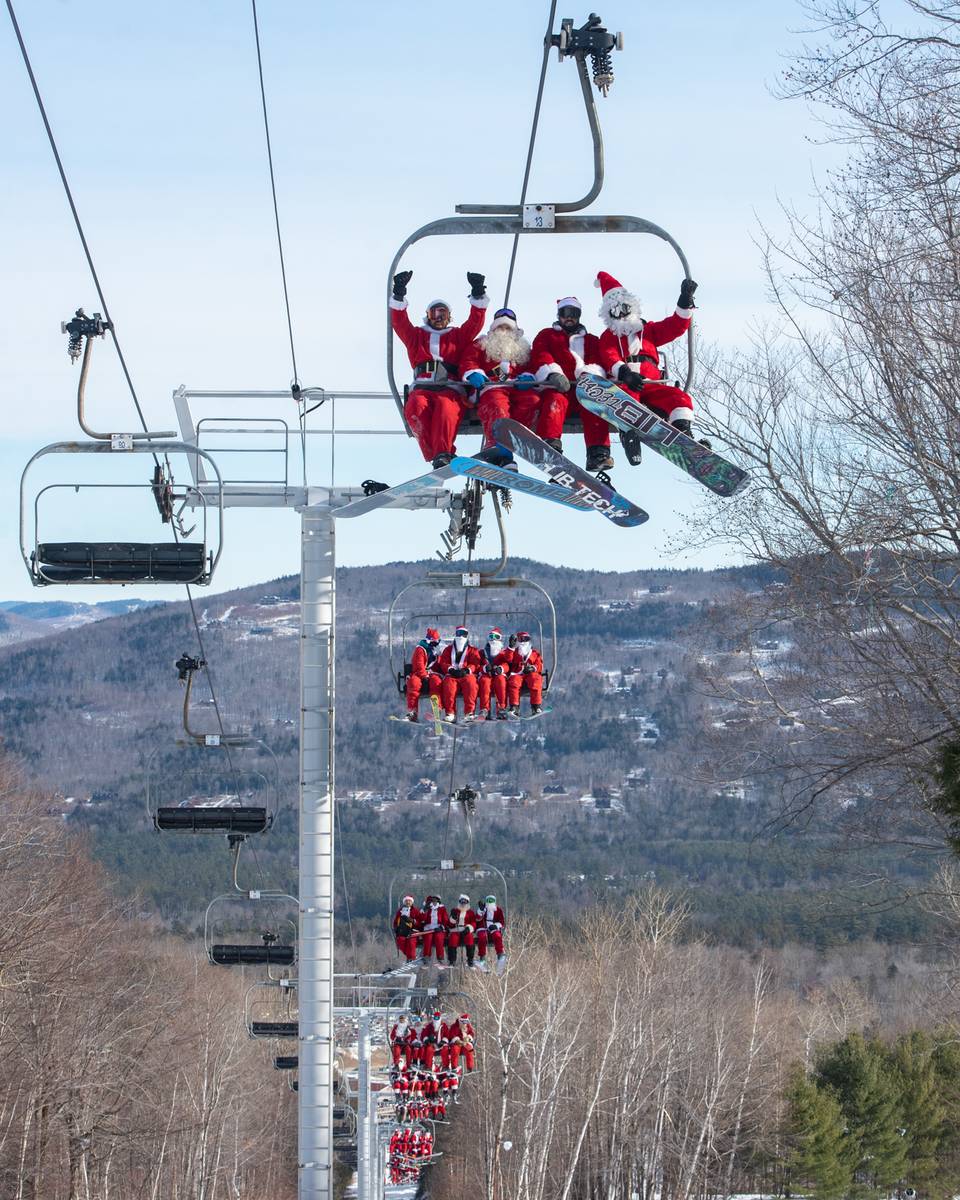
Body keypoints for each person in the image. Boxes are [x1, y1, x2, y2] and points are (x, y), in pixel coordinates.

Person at [593, 270, 701, 462]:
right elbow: (609, 357)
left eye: (624, 309)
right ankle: (629, 435)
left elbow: (674, 327)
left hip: (653, 383)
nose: (621, 316)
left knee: (678, 397)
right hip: (626, 384)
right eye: (615, 312)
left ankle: (683, 432)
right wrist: (625, 373)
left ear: (632, 308)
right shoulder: (609, 337)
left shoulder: (649, 331)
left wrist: (684, 300)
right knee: (626, 399)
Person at [390, 269, 490, 468]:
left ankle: (443, 452)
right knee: (415, 408)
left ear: (449, 317)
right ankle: (437, 455)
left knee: (446, 409)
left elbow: (474, 323)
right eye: (434, 313)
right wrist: (399, 293)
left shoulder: (457, 336)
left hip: (449, 388)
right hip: (423, 386)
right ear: (427, 315)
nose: (438, 317)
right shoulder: (416, 336)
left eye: (442, 313)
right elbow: (399, 322)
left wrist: (478, 293)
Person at [531, 297, 614, 472]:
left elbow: (597, 360)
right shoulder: (547, 335)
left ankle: (598, 452)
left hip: (582, 388)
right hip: (558, 387)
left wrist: (589, 375)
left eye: (573, 314)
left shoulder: (591, 340)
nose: (569, 318)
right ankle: (550, 445)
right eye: (565, 313)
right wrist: (552, 372)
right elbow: (541, 354)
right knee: (554, 402)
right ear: (559, 315)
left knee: (593, 404)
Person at [460, 308, 539, 468]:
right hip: (492, 385)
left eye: (507, 328)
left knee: (532, 400)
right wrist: (473, 373)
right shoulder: (482, 344)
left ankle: (513, 440)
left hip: (516, 385)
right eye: (500, 328)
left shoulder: (522, 348)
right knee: (497, 406)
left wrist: (529, 376)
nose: (503, 331)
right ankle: (499, 449)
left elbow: (534, 366)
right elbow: (469, 360)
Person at [436, 626, 482, 723]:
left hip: (466, 674)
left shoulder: (472, 650)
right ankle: (450, 713)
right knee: (448, 685)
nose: (460, 636)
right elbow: (443, 662)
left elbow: (475, 663)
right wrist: (451, 669)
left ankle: (469, 712)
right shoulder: (448, 650)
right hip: (452, 674)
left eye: (463, 634)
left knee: (471, 684)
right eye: (458, 633)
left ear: (466, 636)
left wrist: (467, 670)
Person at [405, 627, 442, 722]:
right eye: (436, 641)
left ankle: (436, 708)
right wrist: (424, 675)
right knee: (414, 683)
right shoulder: (421, 649)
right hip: (419, 673)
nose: (437, 643)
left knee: (436, 682)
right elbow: (419, 664)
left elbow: (437, 664)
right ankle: (412, 711)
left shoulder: (433, 651)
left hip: (429, 672)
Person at [476, 627, 512, 720]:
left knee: (501, 681)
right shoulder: (482, 653)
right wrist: (484, 668)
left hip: (498, 675)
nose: (493, 639)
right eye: (491, 636)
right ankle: (485, 709)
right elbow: (476, 665)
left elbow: (507, 664)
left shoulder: (503, 653)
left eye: (496, 636)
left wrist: (501, 668)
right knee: (484, 682)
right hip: (486, 675)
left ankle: (501, 708)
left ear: (500, 638)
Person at [507, 631, 544, 715]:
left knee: (536, 679)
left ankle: (536, 706)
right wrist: (511, 647)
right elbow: (508, 659)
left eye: (526, 639)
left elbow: (539, 664)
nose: (524, 642)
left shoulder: (534, 653)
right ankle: (514, 706)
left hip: (530, 674)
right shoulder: (515, 652)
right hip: (518, 673)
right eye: (521, 639)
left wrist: (533, 668)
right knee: (514, 682)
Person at [473, 894, 507, 973]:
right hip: (483, 928)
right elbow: (477, 918)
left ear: (494, 902)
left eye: (491, 901)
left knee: (497, 936)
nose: (490, 903)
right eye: (488, 901)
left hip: (493, 928)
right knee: (482, 937)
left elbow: (502, 922)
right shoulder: (483, 910)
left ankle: (500, 954)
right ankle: (482, 958)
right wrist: (480, 911)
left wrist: (496, 925)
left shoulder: (498, 910)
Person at [444, 894, 477, 968]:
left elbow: (473, 922)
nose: (463, 904)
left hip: (465, 930)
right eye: (461, 902)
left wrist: (469, 928)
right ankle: (452, 960)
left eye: (464, 902)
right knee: (453, 939)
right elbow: (450, 924)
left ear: (467, 903)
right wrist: (453, 918)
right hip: (456, 929)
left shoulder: (470, 912)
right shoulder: (455, 911)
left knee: (470, 938)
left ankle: (470, 959)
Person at [419, 897, 448, 967]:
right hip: (428, 928)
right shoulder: (427, 909)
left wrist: (442, 927)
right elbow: (421, 920)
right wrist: (424, 910)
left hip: (438, 928)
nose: (434, 902)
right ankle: (426, 957)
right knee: (428, 939)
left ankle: (440, 958)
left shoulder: (442, 909)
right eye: (432, 901)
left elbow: (445, 919)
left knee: (439, 938)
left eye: (435, 901)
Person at [392, 894, 422, 962]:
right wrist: (396, 928)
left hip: (413, 931)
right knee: (400, 941)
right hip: (402, 931)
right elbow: (396, 921)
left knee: (411, 942)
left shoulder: (415, 911)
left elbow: (419, 922)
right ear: (404, 902)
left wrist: (412, 921)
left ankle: (412, 958)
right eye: (406, 901)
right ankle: (410, 957)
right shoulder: (400, 911)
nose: (408, 902)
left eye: (409, 901)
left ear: (412, 902)